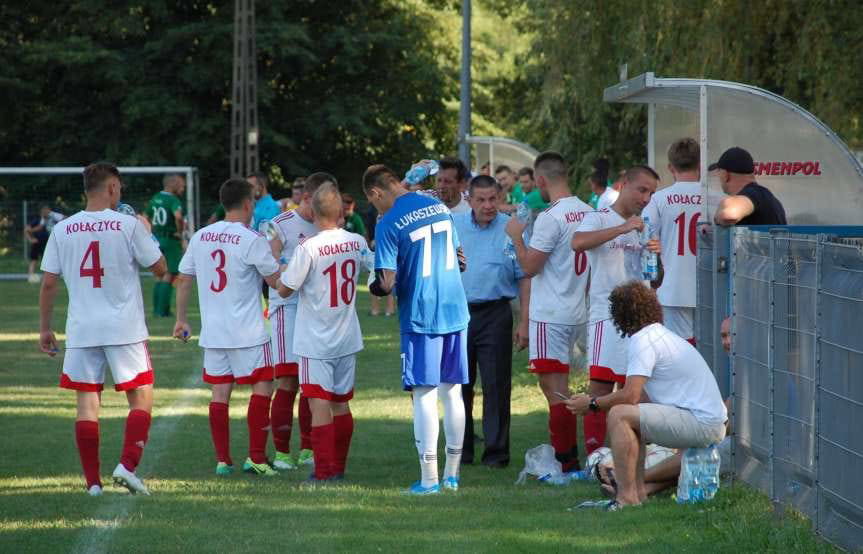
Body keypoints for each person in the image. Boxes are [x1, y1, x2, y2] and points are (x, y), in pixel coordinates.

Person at [39, 162, 166, 496]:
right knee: (142, 395)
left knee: (87, 404)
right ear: (112, 188)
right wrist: (146, 229)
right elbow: (161, 268)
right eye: (119, 188)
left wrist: (45, 328)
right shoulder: (128, 225)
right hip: (123, 327)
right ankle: (127, 465)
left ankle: (92, 484)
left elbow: (49, 283)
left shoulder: (63, 229)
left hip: (82, 328)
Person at [566, 282, 727, 510]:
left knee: (619, 414)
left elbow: (630, 395)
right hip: (707, 421)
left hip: (702, 423)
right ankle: (638, 492)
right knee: (630, 417)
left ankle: (626, 496)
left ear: (620, 315)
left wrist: (592, 403)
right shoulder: (657, 335)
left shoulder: (643, 340)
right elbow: (640, 399)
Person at [363, 163, 469, 495]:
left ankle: (429, 479)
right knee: (452, 391)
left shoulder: (388, 221)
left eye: (373, 202)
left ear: (376, 193)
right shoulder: (438, 205)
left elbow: (388, 281)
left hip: (422, 313)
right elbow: (460, 257)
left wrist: (375, 288)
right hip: (455, 306)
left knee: (423, 392)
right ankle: (452, 475)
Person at [173, 178, 282, 477]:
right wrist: (280, 257)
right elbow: (276, 282)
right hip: (248, 332)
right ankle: (257, 458)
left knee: (220, 393)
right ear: (248, 204)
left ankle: (223, 460)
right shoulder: (251, 239)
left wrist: (181, 319)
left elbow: (183, 279)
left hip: (214, 332)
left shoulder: (200, 236)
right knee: (263, 386)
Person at [276, 184, 370, 482]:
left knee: (319, 404)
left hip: (315, 339)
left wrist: (281, 267)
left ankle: (324, 470)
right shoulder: (356, 241)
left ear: (314, 214)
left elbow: (284, 288)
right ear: (342, 212)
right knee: (341, 403)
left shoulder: (309, 247)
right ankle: (338, 468)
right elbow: (376, 269)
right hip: (346, 335)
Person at [505, 152, 592, 472]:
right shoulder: (587, 210)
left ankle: (566, 460)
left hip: (550, 313)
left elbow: (530, 266)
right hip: (576, 309)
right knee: (561, 385)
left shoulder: (550, 217)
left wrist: (515, 237)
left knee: (553, 388)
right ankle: (575, 454)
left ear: (540, 181)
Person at [571, 165, 660, 454]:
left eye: (651, 193)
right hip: (606, 318)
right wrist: (622, 228)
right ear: (624, 184)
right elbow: (578, 243)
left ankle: (636, 453)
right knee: (600, 386)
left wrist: (657, 257)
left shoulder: (646, 223)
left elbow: (655, 278)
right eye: (642, 190)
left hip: (640, 322)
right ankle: (595, 457)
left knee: (637, 390)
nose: (646, 198)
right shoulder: (598, 217)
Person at [452, 175, 529, 468]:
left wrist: (524, 321)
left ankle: (496, 454)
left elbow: (524, 278)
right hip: (459, 313)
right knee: (459, 384)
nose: (487, 205)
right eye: (480, 200)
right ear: (468, 199)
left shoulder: (511, 229)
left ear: (499, 197)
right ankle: (462, 449)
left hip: (496, 313)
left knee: (496, 384)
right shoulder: (454, 227)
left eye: (492, 199)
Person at [266, 173, 336, 470]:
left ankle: (308, 447)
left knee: (313, 382)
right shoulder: (280, 225)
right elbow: (269, 265)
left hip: (317, 312)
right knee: (288, 379)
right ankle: (282, 452)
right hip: (288, 309)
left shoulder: (329, 225)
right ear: (306, 198)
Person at [642, 138, 702, 343]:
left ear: (670, 167)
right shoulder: (716, 197)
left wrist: (650, 282)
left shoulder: (659, 199)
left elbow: (647, 242)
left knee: (679, 350)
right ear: (700, 164)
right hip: (710, 287)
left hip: (674, 288)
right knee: (710, 349)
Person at [712, 147, 787, 226]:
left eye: (718, 172)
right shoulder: (766, 197)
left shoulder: (754, 194)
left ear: (725, 175)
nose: (718, 176)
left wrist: (717, 217)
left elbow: (728, 214)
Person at [144, 174, 186, 317]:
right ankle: (164, 311)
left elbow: (146, 217)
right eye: (181, 184)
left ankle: (157, 310)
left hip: (156, 239)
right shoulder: (173, 200)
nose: (183, 188)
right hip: (170, 240)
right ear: (173, 184)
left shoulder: (155, 198)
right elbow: (179, 217)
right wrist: (180, 233)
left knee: (159, 274)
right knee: (170, 273)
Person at [25, 205, 65, 283]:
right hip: (41, 242)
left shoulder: (53, 217)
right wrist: (31, 237)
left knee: (53, 259)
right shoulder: (40, 219)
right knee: (35, 259)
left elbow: (64, 219)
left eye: (46, 211)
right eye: (44, 211)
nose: (45, 212)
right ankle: (31, 275)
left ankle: (56, 275)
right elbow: (35, 228)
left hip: (51, 241)